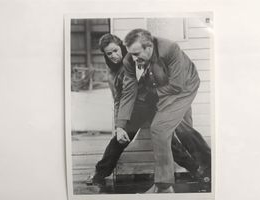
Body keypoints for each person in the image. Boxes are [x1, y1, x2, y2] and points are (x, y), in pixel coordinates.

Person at [86, 33, 211, 190]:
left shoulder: (139, 57)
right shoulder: (113, 74)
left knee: (169, 141)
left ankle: (196, 170)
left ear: (122, 47)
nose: (113, 56)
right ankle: (100, 173)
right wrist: (119, 125)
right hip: (136, 108)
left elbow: (166, 78)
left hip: (156, 104)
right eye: (109, 53)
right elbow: (119, 100)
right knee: (119, 139)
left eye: (115, 50)